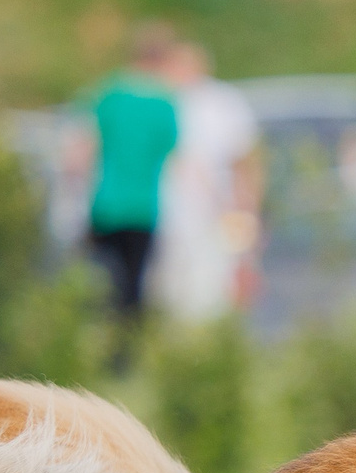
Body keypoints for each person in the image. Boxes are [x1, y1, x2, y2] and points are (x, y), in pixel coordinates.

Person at [80, 24, 182, 336]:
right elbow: (172, 154)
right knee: (134, 284)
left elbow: (85, 146)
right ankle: (125, 349)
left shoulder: (109, 93)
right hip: (143, 206)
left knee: (100, 279)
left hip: (106, 202)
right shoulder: (164, 103)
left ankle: (96, 337)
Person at [156, 39, 262, 324]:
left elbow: (244, 165)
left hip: (213, 213)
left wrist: (246, 215)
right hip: (166, 217)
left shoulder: (222, 103)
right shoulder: (160, 101)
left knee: (213, 292)